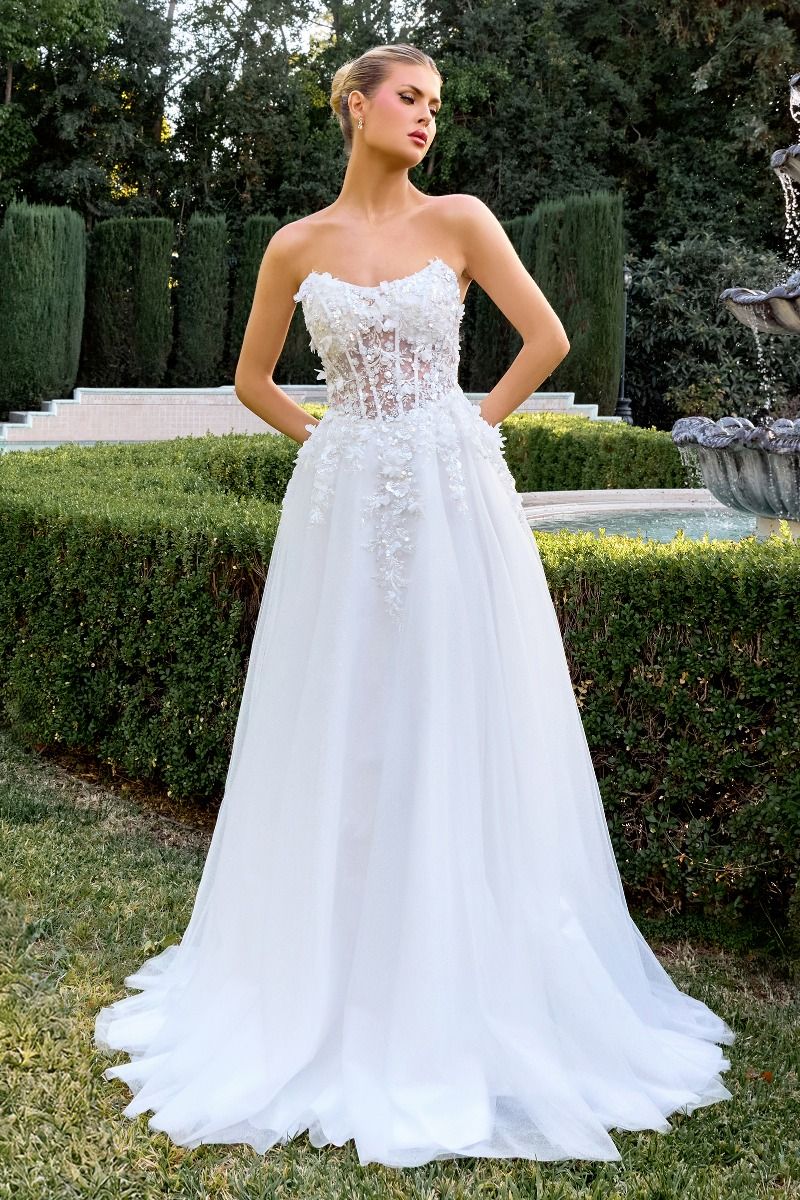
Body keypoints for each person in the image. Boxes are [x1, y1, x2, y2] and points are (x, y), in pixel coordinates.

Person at [93, 42, 735, 1169]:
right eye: (408, 97)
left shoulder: (462, 220)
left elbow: (547, 339)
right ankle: (326, 968)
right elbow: (251, 378)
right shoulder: (296, 245)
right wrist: (328, 439)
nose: (427, 116)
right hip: (343, 502)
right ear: (355, 105)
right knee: (342, 710)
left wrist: (463, 429)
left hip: (450, 490)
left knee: (456, 703)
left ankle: (468, 969)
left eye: (436, 103)